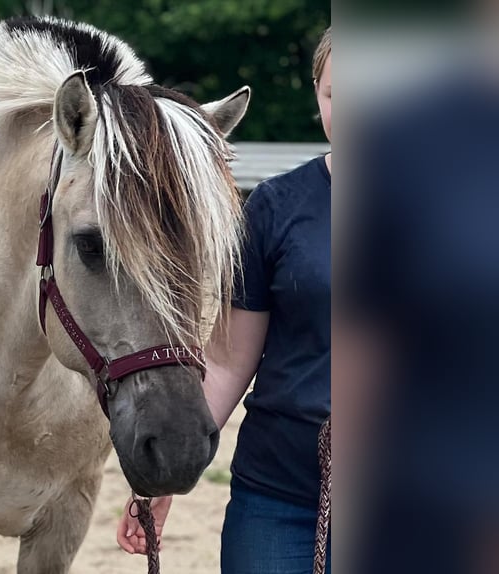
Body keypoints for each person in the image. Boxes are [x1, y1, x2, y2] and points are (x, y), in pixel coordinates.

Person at [116, 26, 332, 574]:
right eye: (338, 96)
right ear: (317, 95)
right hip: (281, 495)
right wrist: (165, 476)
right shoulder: (276, 208)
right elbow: (230, 358)